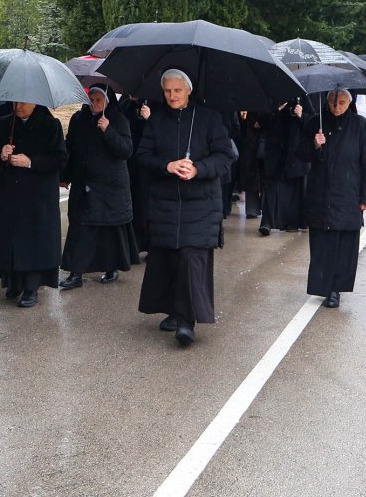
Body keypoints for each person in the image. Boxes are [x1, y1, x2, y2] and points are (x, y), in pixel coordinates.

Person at [137, 69, 235, 346]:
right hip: (166, 203)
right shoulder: (156, 121)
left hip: (201, 204)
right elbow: (143, 157)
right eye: (167, 91)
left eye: (177, 90)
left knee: (192, 260)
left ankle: (187, 322)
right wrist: (167, 166)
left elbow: (225, 157)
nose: (172, 96)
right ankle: (174, 311)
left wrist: (198, 169)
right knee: (168, 260)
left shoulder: (210, 119)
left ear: (188, 91)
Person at [296, 89, 366, 309]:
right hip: (320, 192)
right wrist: (315, 144)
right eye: (333, 102)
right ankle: (324, 286)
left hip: (348, 192)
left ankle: (336, 288)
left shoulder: (361, 125)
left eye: (341, 102)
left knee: (344, 244)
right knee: (322, 243)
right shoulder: (316, 123)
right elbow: (300, 153)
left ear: (348, 103)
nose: (336, 107)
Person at [0, 101, 68, 307]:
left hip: (37, 196)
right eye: (15, 102)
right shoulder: (6, 123)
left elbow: (59, 158)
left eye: (23, 102)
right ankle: (13, 283)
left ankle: (31, 288)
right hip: (10, 193)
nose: (18, 106)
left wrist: (30, 162)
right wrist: (0, 154)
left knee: (32, 243)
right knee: (12, 241)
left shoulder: (51, 124)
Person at [59, 85, 139, 289]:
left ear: (107, 102)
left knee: (108, 228)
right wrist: (65, 175)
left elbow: (126, 151)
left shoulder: (118, 120)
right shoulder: (78, 119)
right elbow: (70, 147)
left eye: (98, 100)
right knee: (79, 227)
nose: (93, 104)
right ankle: (75, 273)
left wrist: (108, 130)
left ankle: (111, 267)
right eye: (91, 99)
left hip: (110, 186)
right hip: (84, 182)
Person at [257, 100, 310, 236]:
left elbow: (312, 121)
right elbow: (260, 121)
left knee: (293, 190)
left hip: (294, 151)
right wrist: (276, 109)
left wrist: (301, 115)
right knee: (271, 188)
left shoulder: (302, 97)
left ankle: (292, 222)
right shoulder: (272, 96)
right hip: (274, 151)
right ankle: (267, 221)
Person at [120, 95, 153, 252]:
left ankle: (148, 242)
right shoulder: (125, 104)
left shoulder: (154, 104)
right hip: (129, 161)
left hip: (146, 163)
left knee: (144, 204)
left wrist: (149, 119)